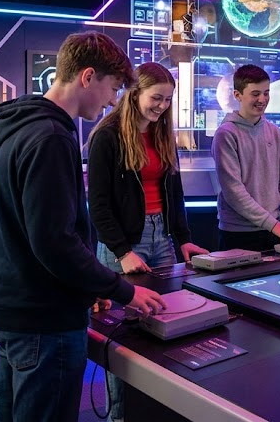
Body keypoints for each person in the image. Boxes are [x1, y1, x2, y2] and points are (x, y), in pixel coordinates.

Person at [0, 32, 166, 422]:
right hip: (43, 317)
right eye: (112, 87)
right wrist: (121, 290)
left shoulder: (22, 126)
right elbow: (54, 242)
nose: (113, 100)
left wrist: (86, 285)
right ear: (87, 77)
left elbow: (34, 232)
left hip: (12, 305)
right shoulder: (51, 137)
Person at [88, 62, 209, 421]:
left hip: (162, 240)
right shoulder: (107, 137)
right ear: (134, 93)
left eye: (168, 100)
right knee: (123, 340)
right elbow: (99, 205)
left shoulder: (161, 133)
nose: (162, 106)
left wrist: (184, 239)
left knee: (166, 325)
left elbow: (175, 192)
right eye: (157, 98)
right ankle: (119, 416)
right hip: (124, 245)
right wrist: (122, 251)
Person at [213, 65, 280, 251]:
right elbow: (234, 191)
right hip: (238, 234)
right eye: (255, 94)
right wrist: (274, 224)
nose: (262, 99)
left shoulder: (274, 132)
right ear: (237, 95)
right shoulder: (226, 133)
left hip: (274, 230)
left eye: (266, 93)